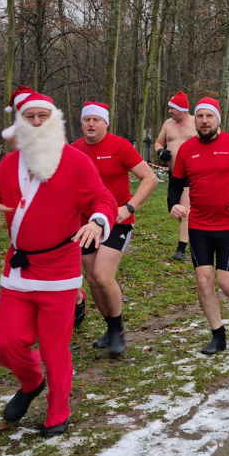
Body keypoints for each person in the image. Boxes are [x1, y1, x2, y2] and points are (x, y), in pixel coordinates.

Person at [0, 90, 116, 437]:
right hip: (18, 270)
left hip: (59, 271)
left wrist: (97, 222)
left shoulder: (76, 162)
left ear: (54, 121)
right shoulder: (10, 163)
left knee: (54, 351)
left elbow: (103, 198)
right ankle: (31, 380)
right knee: (7, 345)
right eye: (29, 117)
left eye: (43, 116)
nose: (36, 122)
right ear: (20, 123)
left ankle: (58, 410)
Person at [166, 97, 229, 355]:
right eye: (200, 116)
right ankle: (218, 335)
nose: (204, 121)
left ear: (218, 119)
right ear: (195, 120)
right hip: (199, 226)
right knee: (203, 282)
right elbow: (175, 183)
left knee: (227, 283)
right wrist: (173, 204)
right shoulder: (187, 149)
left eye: (209, 116)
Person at [71, 101, 158, 357]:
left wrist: (129, 207)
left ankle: (118, 329)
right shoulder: (74, 150)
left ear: (106, 123)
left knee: (102, 275)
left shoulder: (120, 146)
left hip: (118, 221)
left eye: (96, 120)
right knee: (92, 279)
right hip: (86, 224)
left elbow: (150, 178)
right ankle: (109, 327)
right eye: (87, 119)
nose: (91, 124)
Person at [153, 91, 196, 261]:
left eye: (173, 108)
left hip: (191, 173)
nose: (170, 111)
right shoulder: (168, 124)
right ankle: (193, 231)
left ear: (182, 108)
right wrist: (160, 152)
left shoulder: (196, 122)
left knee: (185, 210)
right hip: (173, 174)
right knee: (174, 208)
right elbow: (158, 143)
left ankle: (181, 249)